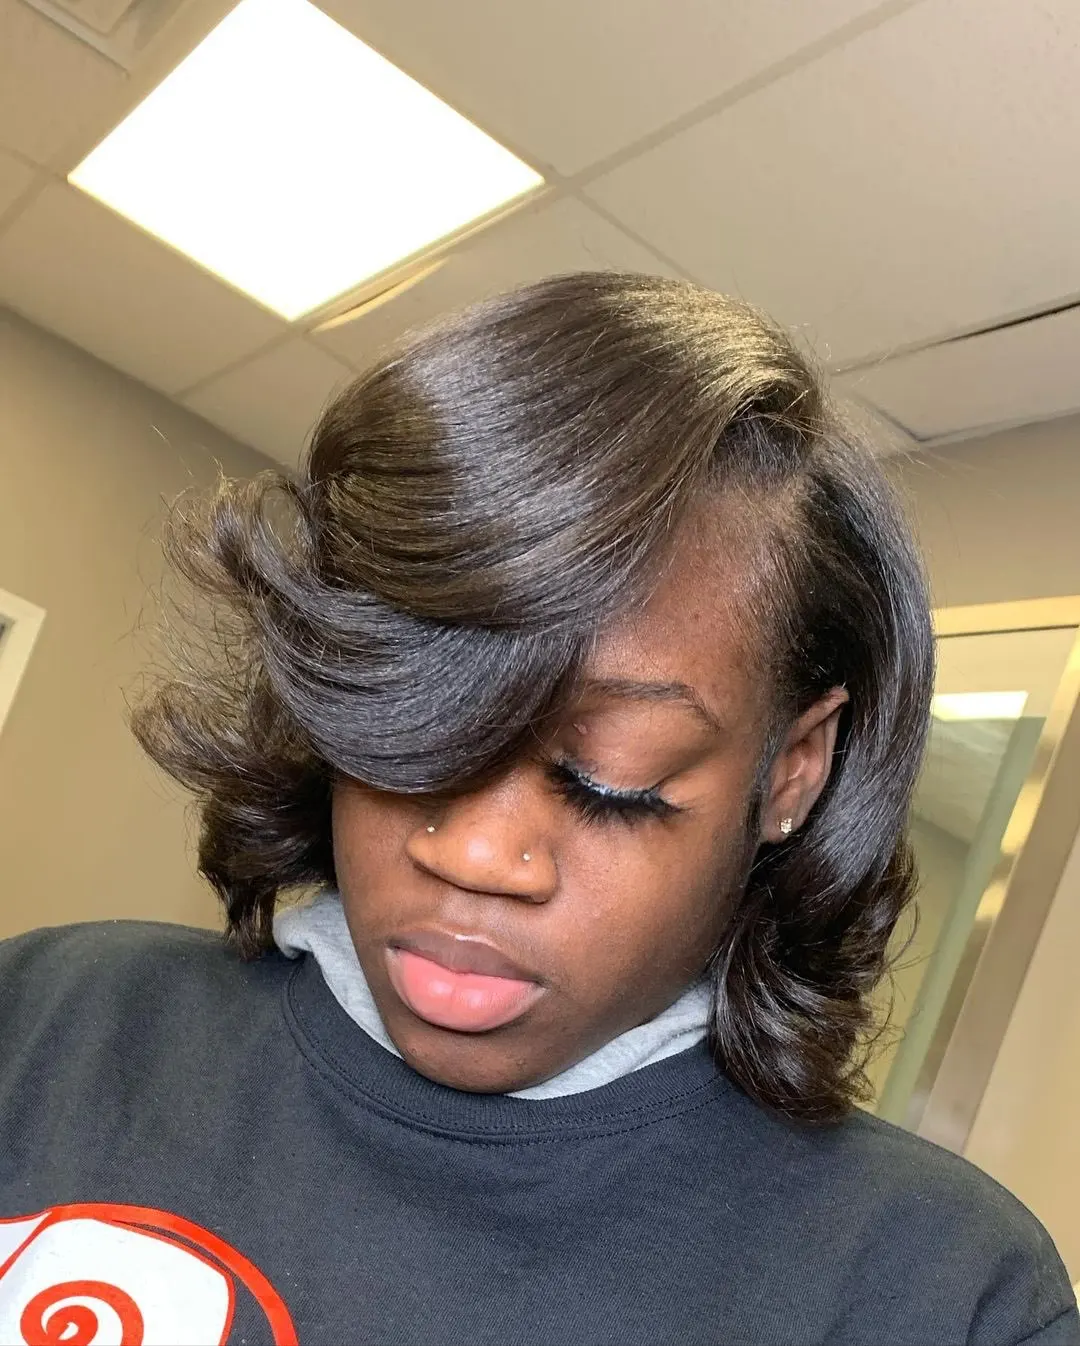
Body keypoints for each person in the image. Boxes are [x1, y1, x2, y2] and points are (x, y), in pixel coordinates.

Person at [0, 273, 1075, 1346]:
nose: (473, 852)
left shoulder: (940, 1294)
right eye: (423, 730)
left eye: (613, 776)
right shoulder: (48, 1020)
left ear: (791, 771)